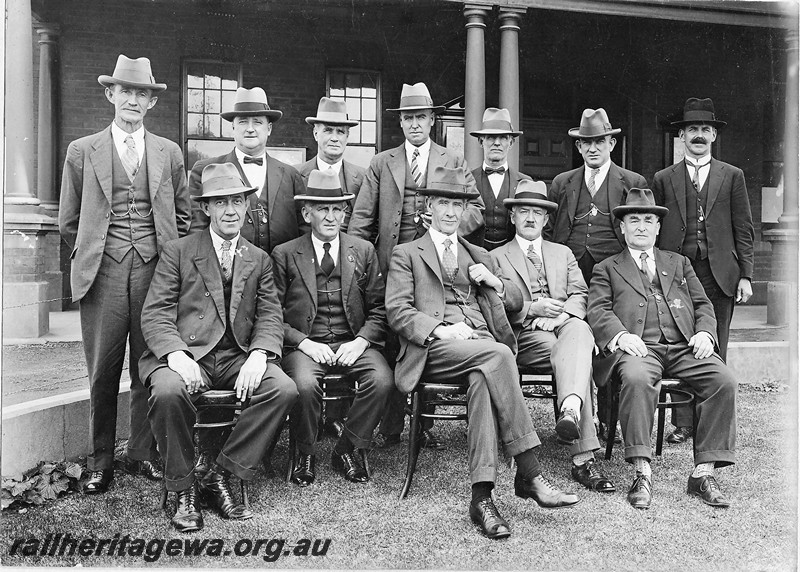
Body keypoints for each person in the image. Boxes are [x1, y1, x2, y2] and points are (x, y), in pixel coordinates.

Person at [386, 165, 579, 540]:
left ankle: (482, 499)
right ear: (428, 206)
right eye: (443, 203)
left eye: (457, 205)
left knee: (482, 379)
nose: (450, 213)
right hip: (433, 349)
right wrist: (440, 328)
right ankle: (530, 472)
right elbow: (398, 311)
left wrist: (492, 280)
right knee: (498, 356)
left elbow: (516, 302)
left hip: (477, 352)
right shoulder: (406, 254)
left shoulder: (477, 253)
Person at [139, 163, 299, 532]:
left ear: (246, 206)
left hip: (235, 356)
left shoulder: (257, 258)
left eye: (238, 202)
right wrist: (177, 355)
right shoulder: (178, 251)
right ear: (206, 208)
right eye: (221, 202)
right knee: (167, 392)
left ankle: (220, 473)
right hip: (185, 353)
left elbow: (270, 315)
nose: (231, 211)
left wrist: (259, 354)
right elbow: (156, 313)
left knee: (283, 388)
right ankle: (183, 489)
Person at [59, 54, 191, 493]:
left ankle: (141, 452)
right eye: (127, 91)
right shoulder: (82, 151)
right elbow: (69, 221)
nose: (134, 100)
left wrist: (166, 261)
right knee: (102, 370)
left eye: (143, 93)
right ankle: (101, 461)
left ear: (152, 102)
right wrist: (98, 253)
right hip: (103, 275)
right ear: (110, 94)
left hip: (156, 273)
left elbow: (184, 218)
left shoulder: (169, 152)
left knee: (147, 365)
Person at [348, 82, 485, 449]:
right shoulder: (382, 162)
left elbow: (477, 210)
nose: (414, 124)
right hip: (391, 264)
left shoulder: (453, 160)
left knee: (430, 333)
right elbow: (361, 222)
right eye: (408, 118)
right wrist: (358, 265)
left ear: (432, 120)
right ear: (401, 123)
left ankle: (424, 423)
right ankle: (392, 425)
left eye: (420, 117)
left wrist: (446, 224)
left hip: (437, 268)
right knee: (395, 339)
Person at [587, 188, 737, 510]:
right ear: (622, 227)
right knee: (638, 380)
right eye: (634, 220)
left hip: (684, 346)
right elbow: (597, 310)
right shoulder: (607, 267)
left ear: (658, 227)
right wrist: (620, 336)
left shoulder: (679, 263)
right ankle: (642, 472)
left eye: (648, 220)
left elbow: (702, 304)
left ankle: (703, 473)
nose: (641, 226)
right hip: (639, 348)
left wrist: (706, 334)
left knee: (723, 380)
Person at [491, 180, 614, 493]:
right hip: (526, 336)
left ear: (546, 220)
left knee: (578, 334)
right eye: (524, 212)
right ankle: (583, 459)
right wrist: (533, 309)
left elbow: (581, 294)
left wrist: (561, 316)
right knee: (580, 351)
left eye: (537, 212)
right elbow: (493, 305)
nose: (531, 218)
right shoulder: (496, 257)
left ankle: (571, 409)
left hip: (563, 329)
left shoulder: (563, 253)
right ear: (512, 217)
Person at [273, 169, 393, 486]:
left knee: (381, 380)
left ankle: (347, 448)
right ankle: (305, 452)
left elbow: (380, 308)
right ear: (306, 212)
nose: (331, 216)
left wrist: (362, 341)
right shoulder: (285, 254)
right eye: (322, 209)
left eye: (338, 209)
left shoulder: (363, 251)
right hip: (307, 346)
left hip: (351, 341)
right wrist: (303, 343)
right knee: (304, 384)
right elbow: (271, 316)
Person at [653, 97, 754, 444]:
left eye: (704, 130)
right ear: (681, 136)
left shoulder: (732, 176)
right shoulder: (664, 178)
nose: (698, 135)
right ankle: (683, 423)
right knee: (681, 342)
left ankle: (710, 424)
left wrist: (746, 275)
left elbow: (744, 227)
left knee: (715, 346)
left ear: (713, 135)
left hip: (720, 274)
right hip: (677, 274)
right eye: (691, 129)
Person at [544, 107, 648, 442]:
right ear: (578, 147)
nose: (593, 148)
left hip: (615, 276)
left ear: (611, 144)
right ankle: (571, 411)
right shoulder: (563, 183)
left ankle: (608, 420)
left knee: (610, 342)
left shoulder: (631, 182)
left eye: (599, 141)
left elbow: (639, 230)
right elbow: (552, 232)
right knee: (574, 341)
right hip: (571, 276)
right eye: (586, 142)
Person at [189, 87, 305, 254]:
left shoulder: (291, 174)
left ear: (269, 128)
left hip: (281, 274)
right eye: (243, 121)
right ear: (233, 128)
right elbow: (196, 230)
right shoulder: (205, 170)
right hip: (227, 273)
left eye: (257, 122)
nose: (250, 128)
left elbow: (304, 230)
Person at [465, 107, 531, 250]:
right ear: (480, 142)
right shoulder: (467, 179)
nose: (496, 143)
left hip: (512, 259)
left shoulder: (525, 182)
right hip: (474, 255)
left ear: (511, 143)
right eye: (490, 137)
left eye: (503, 138)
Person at [297, 97, 364, 230]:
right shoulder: (296, 175)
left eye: (340, 132)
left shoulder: (363, 177)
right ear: (316, 133)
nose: (334, 138)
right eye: (328, 130)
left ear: (347, 136)